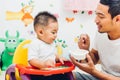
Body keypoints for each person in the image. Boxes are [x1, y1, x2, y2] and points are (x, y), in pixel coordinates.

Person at [70, 0, 120, 80]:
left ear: (117, 19)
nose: (95, 20)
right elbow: (95, 58)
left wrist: (93, 71)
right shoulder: (101, 32)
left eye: (101, 16)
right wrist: (85, 50)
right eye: (96, 15)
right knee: (67, 76)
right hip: (100, 77)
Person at [28, 11, 69, 80]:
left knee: (65, 76)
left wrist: (59, 58)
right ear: (41, 32)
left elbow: (53, 54)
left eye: (56, 32)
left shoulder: (51, 43)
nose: (56, 35)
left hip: (52, 72)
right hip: (39, 74)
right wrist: (43, 64)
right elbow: (32, 60)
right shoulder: (35, 43)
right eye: (53, 32)